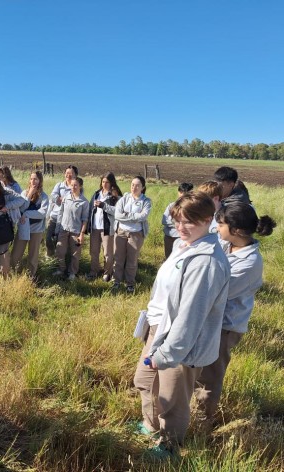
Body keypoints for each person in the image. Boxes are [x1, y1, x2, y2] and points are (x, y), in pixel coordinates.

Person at [133, 191, 230, 459]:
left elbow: (190, 317)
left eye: (189, 221)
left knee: (173, 398)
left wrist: (166, 354)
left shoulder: (206, 261)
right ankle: (151, 427)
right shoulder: (183, 246)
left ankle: (169, 447)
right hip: (159, 329)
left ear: (208, 219)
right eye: (177, 220)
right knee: (144, 381)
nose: (180, 227)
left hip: (181, 343)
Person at [194, 202, 276, 427]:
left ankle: (202, 423)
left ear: (237, 231)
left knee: (210, 375)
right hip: (210, 319)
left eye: (221, 224)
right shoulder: (225, 243)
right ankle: (191, 414)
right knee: (198, 370)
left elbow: (216, 290)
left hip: (225, 326)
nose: (217, 228)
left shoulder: (250, 262)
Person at [112, 175, 151, 294]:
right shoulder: (124, 198)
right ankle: (116, 281)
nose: (134, 187)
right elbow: (117, 215)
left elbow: (143, 216)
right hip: (121, 232)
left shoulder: (146, 201)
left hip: (136, 234)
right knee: (118, 258)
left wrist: (127, 215)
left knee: (132, 260)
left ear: (142, 187)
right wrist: (133, 217)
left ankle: (130, 284)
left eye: (137, 185)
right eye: (132, 185)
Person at [11, 171, 49, 278]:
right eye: (31, 179)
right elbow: (21, 208)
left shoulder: (44, 197)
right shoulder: (23, 193)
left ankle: (30, 277)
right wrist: (29, 195)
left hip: (36, 229)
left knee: (33, 255)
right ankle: (15, 275)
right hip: (23, 227)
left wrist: (27, 214)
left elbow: (42, 213)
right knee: (16, 254)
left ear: (40, 181)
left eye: (36, 179)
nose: (33, 181)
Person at [86, 173, 122, 281]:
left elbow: (117, 212)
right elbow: (90, 210)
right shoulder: (96, 194)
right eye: (103, 182)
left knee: (107, 253)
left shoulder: (115, 197)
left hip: (107, 228)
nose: (104, 184)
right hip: (95, 227)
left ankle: (107, 273)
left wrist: (104, 206)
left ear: (111, 183)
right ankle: (94, 272)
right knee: (93, 251)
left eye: (107, 182)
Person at [54, 177, 89, 280]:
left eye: (75, 185)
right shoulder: (66, 198)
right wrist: (58, 228)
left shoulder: (84, 202)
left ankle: (72, 273)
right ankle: (61, 269)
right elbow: (60, 213)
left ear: (80, 186)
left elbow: (85, 219)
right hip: (63, 229)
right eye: (72, 185)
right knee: (60, 251)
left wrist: (82, 234)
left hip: (76, 231)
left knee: (75, 254)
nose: (73, 187)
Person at [46, 166, 78, 257]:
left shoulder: (76, 187)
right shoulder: (59, 185)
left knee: (60, 242)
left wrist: (65, 200)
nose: (68, 175)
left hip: (67, 219)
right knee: (48, 239)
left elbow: (76, 200)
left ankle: (60, 261)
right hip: (55, 216)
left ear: (75, 175)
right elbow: (53, 195)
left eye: (71, 173)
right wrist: (58, 198)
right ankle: (50, 257)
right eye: (67, 173)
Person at [161, 183, 194, 259]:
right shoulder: (171, 205)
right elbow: (164, 221)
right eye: (181, 192)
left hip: (181, 237)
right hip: (169, 236)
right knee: (168, 258)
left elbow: (190, 223)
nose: (182, 195)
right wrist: (179, 222)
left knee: (180, 258)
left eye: (185, 193)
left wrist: (173, 221)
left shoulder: (192, 207)